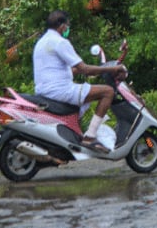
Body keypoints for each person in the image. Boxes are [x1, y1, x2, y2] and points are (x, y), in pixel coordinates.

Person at [33, 10, 128, 153]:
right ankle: (89, 137)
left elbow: (67, 70)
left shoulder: (42, 42)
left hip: (46, 90)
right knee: (107, 92)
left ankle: (74, 134)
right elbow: (85, 69)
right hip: (60, 91)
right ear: (62, 25)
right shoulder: (60, 42)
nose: (68, 29)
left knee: (87, 93)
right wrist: (112, 69)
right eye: (67, 25)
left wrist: (97, 68)